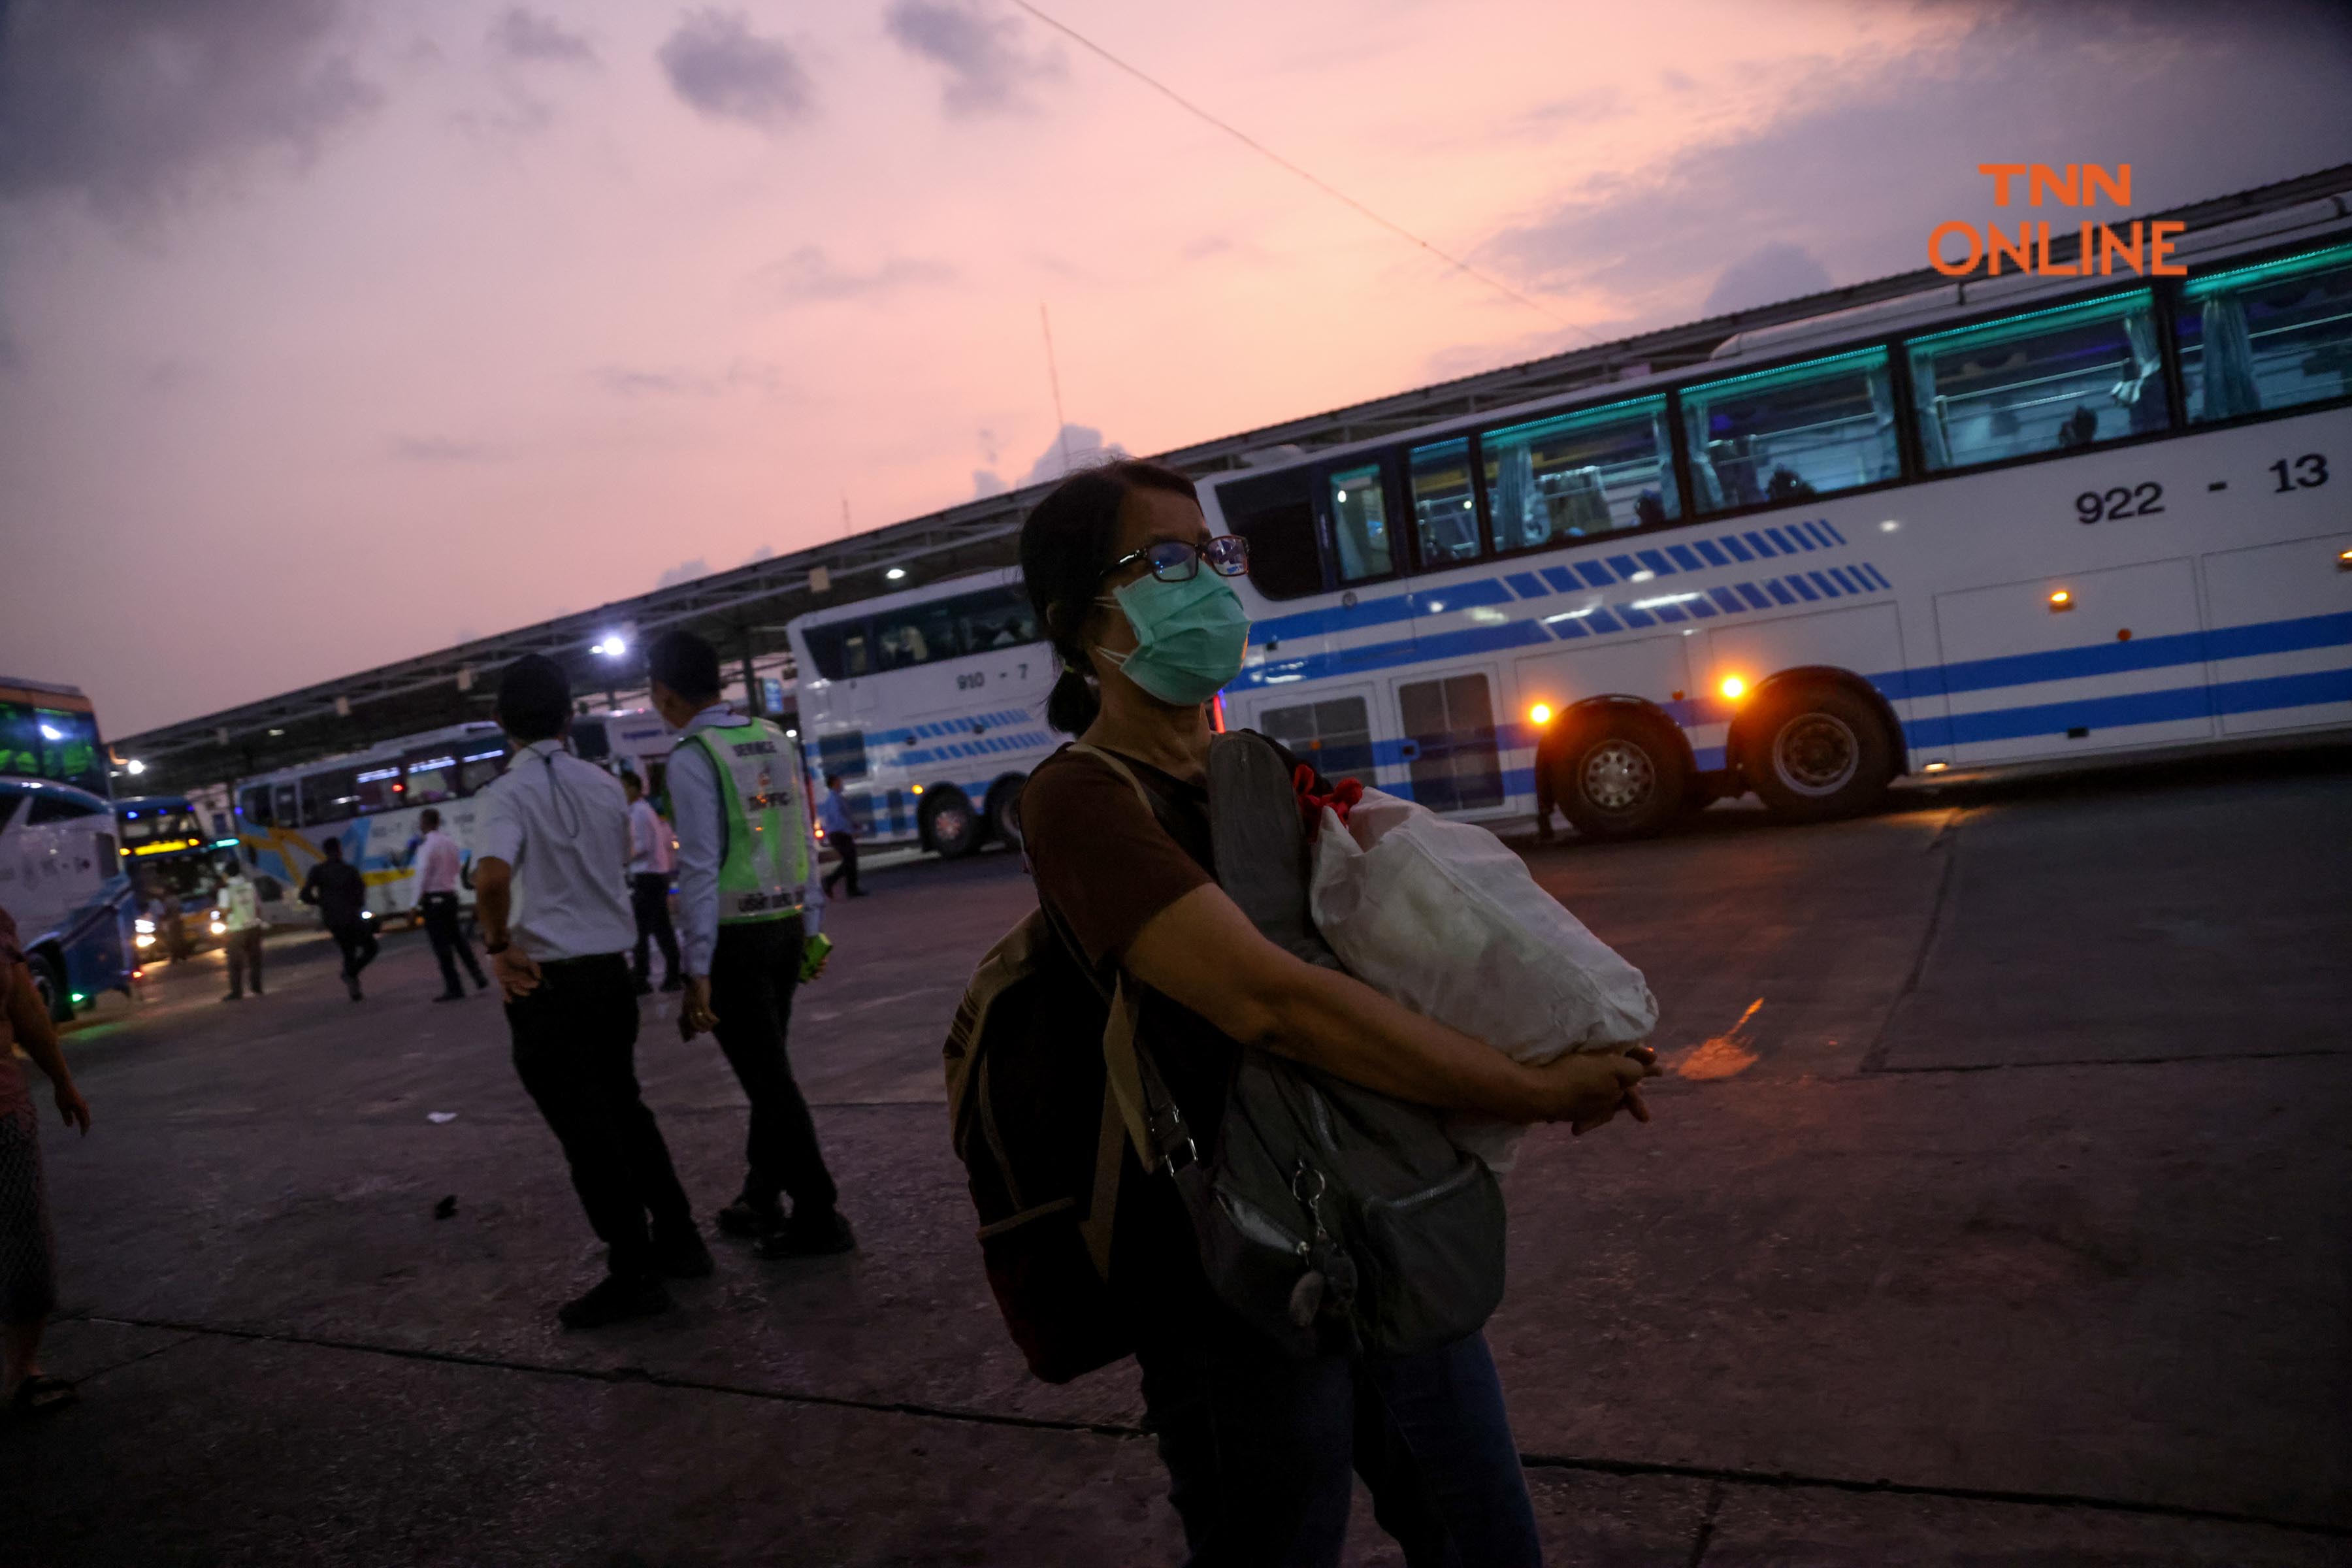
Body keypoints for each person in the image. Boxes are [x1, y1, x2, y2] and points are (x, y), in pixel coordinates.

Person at [1015, 460, 1660, 1565]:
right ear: (1080, 622)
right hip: (1234, 1270)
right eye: (1165, 561)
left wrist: (1569, 1027)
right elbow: (1273, 1004)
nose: (1209, 584)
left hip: (1384, 1213)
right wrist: (1530, 1092)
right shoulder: (1079, 799)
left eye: (1214, 556)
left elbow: (1399, 940)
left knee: (1487, 1538)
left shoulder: (1254, 764)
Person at [472, 655, 708, 1331]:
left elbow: (491, 880)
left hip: (549, 982)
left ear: (501, 725)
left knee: (586, 1132)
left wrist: (497, 946)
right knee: (626, 1109)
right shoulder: (606, 787)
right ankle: (681, 1240)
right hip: (612, 974)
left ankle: (632, 1273)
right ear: (570, 717)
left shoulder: (504, 796)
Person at [645, 629, 851, 1260]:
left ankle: (819, 1213)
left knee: (769, 1084)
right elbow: (800, 839)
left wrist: (695, 968)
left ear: (664, 694)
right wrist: (811, 928)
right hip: (786, 928)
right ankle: (761, 1195)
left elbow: (700, 868)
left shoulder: (693, 756)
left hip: (736, 941)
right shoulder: (771, 738)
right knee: (771, 1071)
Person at [0, 905, 93, 1416]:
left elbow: (26, 1010)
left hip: (3, 1116)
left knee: (23, 1247)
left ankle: (19, 1375)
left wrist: (62, 1080)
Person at [410, 808, 488, 1002]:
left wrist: (413, 904)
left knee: (441, 946)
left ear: (425, 823)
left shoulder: (427, 846)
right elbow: (456, 867)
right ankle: (478, 975)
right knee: (459, 940)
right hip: (450, 896)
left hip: (434, 901)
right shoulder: (450, 842)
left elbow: (422, 875)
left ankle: (455, 987)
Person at [623, 774, 681, 995]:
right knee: (661, 928)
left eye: (623, 788)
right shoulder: (644, 810)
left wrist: (623, 857)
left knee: (640, 930)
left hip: (647, 876)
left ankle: (641, 976)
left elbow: (641, 846)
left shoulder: (638, 813)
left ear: (633, 788)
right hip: (656, 876)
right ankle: (673, 974)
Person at [300, 838, 377, 1001]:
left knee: (348, 951)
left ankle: (354, 988)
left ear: (325, 852)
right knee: (371, 947)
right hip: (350, 917)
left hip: (332, 920)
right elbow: (361, 896)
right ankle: (350, 974)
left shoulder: (318, 871)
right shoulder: (349, 870)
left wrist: (321, 903)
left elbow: (304, 895)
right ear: (340, 850)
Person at [215, 859, 264, 1000]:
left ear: (227, 874)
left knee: (235, 963)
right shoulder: (250, 886)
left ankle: (237, 991)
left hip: (236, 929)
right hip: (253, 926)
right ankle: (257, 987)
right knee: (255, 960)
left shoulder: (226, 891)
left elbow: (224, 911)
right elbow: (258, 906)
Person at [817, 774, 862, 900]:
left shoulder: (836, 798)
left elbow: (844, 815)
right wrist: (850, 831)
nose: (841, 784)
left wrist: (854, 825)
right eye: (839, 782)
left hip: (839, 834)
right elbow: (839, 818)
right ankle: (833, 882)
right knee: (850, 860)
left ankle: (849, 888)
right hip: (839, 834)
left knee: (850, 860)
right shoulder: (834, 799)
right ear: (834, 783)